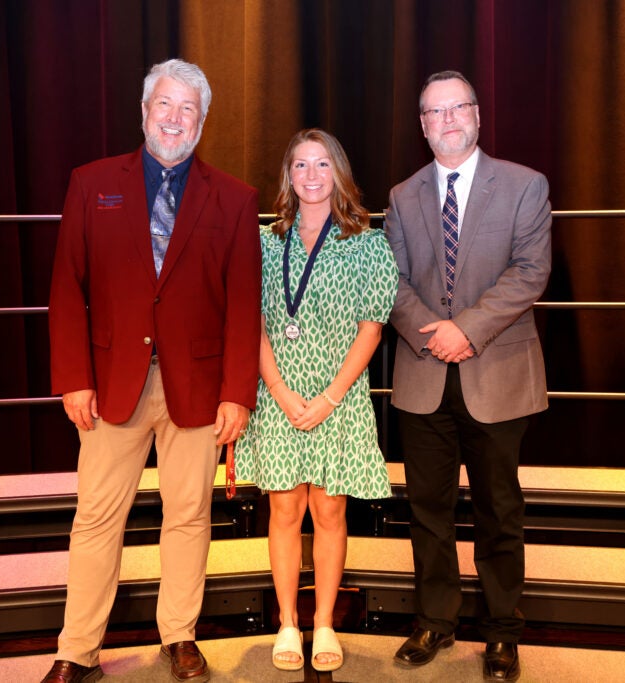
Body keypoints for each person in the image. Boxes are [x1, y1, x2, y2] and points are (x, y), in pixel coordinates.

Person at [42, 59, 261, 683]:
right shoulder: (91, 184)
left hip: (197, 389)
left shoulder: (236, 199)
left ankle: (179, 637)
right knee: (96, 517)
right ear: (144, 112)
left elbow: (245, 304)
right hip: (111, 385)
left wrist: (237, 394)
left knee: (188, 515)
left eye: (187, 109)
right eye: (164, 105)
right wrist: (73, 377)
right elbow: (67, 289)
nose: (174, 118)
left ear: (202, 121)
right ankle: (77, 651)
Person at [385, 70, 551, 682]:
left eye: (457, 108)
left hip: (498, 376)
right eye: (434, 112)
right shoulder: (402, 197)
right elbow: (391, 282)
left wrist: (468, 330)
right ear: (423, 126)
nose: (447, 120)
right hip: (423, 374)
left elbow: (530, 274)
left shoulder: (525, 186)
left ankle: (503, 631)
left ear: (478, 115)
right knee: (427, 509)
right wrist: (435, 330)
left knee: (498, 510)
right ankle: (435, 621)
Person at [233, 129, 397, 673]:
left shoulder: (368, 243)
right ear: (288, 176)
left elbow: (371, 331)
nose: (310, 175)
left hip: (338, 398)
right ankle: (287, 623)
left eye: (322, 164)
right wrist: (279, 391)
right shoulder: (265, 242)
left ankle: (323, 621)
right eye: (300, 165)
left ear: (339, 173)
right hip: (277, 392)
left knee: (329, 510)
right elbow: (250, 323)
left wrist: (326, 399)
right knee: (283, 510)